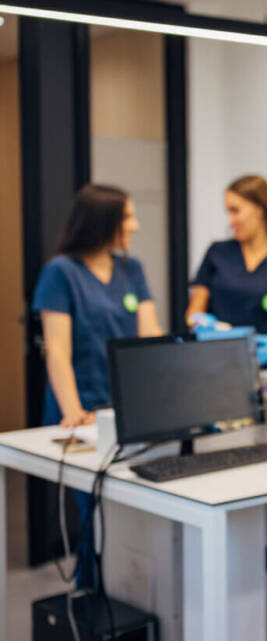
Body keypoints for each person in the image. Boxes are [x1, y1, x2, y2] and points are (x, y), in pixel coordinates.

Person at [32, 183, 163, 586]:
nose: (136, 225)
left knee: (132, 509)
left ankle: (129, 593)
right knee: (94, 511)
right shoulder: (61, 273)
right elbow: (57, 350)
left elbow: (150, 337)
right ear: (103, 222)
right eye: (127, 217)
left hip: (124, 409)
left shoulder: (131, 269)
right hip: (80, 410)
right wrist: (72, 409)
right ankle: (91, 595)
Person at [186, 175, 267, 341]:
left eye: (235, 211)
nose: (230, 221)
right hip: (214, 358)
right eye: (228, 212)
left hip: (262, 365)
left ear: (260, 209)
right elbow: (194, 312)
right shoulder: (217, 252)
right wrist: (200, 322)